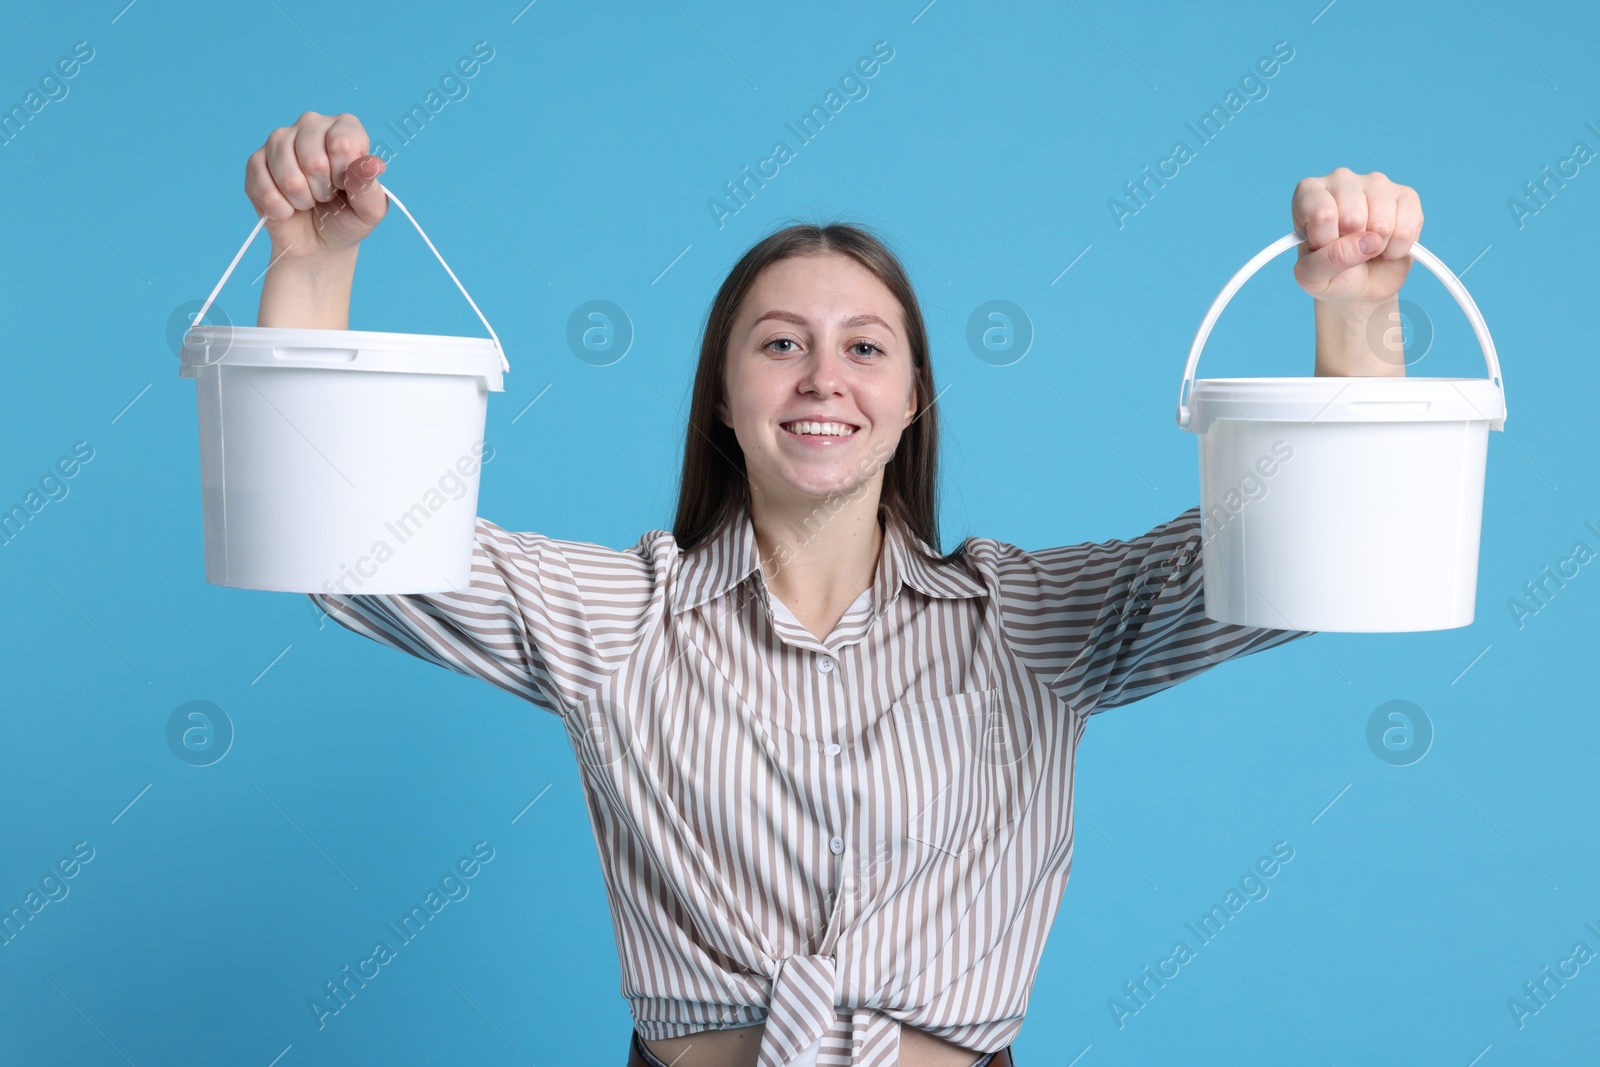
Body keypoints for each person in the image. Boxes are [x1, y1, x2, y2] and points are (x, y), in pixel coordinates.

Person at [246, 111, 1419, 1067]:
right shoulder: (615, 619)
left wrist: (1358, 308)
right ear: (721, 393)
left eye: (865, 346)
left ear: (913, 398)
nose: (823, 377)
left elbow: (1309, 552)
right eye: (777, 344)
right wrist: (312, 265)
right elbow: (341, 538)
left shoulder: (1032, 625)